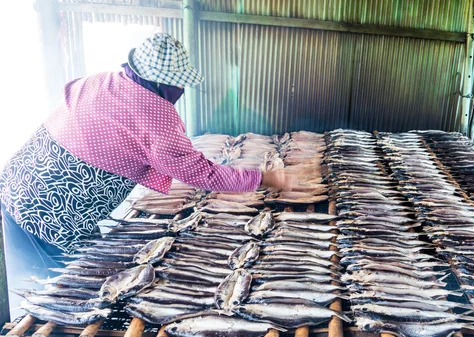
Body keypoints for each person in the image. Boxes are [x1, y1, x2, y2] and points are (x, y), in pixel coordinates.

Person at [0, 32, 290, 313]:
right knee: (63, 294)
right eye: (179, 84)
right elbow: (201, 173)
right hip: (53, 215)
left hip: (16, 184)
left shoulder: (99, 81)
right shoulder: (156, 116)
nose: (182, 91)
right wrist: (260, 177)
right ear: (162, 83)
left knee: (45, 273)